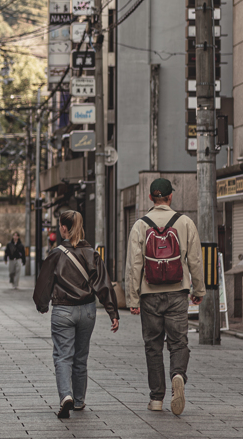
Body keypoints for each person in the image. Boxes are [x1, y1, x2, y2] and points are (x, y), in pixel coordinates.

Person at [125, 177, 204, 416]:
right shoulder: (185, 222)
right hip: (178, 292)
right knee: (179, 342)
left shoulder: (140, 224)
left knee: (153, 346)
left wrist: (133, 299)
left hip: (149, 294)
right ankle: (178, 374)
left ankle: (156, 398)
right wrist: (198, 290)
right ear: (171, 197)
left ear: (151, 198)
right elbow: (196, 260)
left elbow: (134, 265)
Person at [34, 210, 119, 418]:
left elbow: (43, 283)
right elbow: (104, 284)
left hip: (63, 310)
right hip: (87, 311)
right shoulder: (92, 253)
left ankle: (66, 396)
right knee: (81, 357)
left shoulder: (55, 254)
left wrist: (42, 304)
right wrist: (112, 312)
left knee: (63, 356)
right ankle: (79, 400)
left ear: (64, 227)